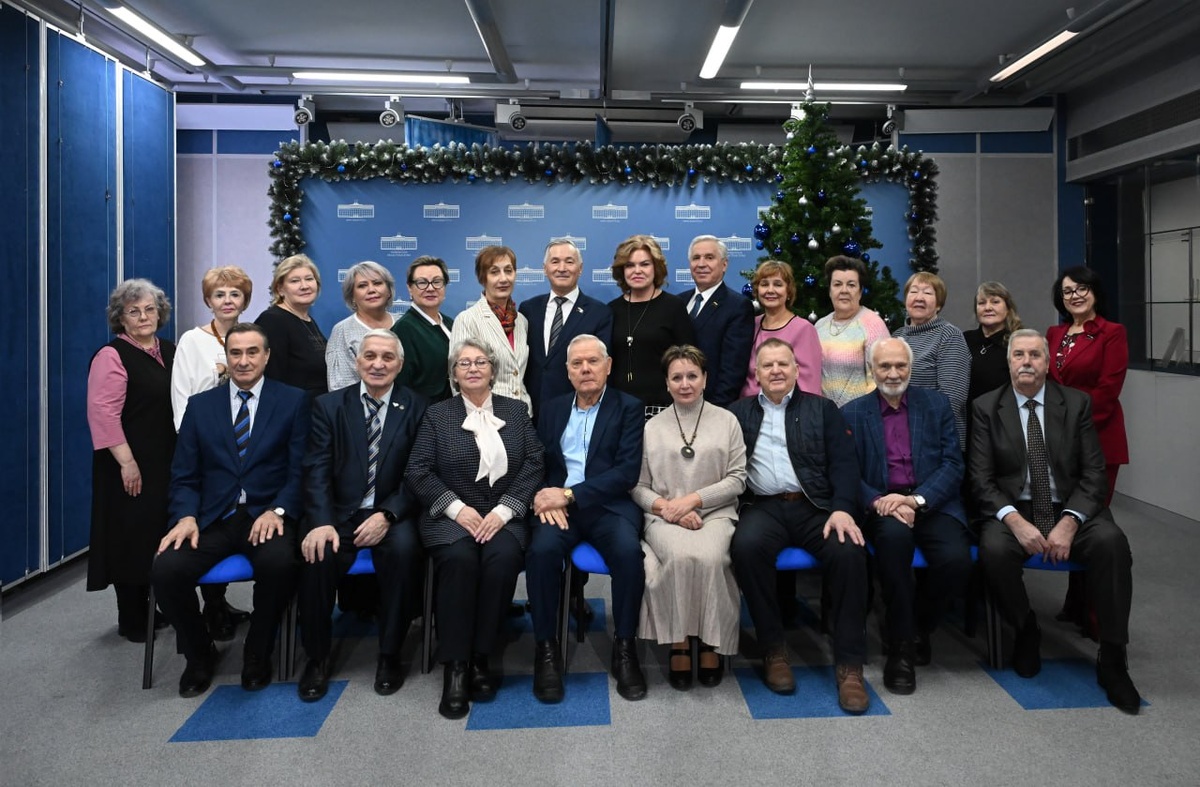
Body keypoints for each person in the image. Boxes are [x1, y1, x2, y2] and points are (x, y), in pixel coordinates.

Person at [971, 329, 1141, 714]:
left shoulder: (1076, 404)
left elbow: (1094, 474)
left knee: (1112, 544)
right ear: (1008, 363)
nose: (1026, 362)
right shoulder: (986, 407)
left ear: (1047, 364)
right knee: (993, 549)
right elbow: (980, 479)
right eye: (1018, 355)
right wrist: (1015, 521)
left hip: (1071, 506)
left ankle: (1114, 657)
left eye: (1035, 355)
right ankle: (1025, 629)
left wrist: (1070, 521)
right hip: (1016, 508)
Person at [153, 323, 309, 698]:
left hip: (266, 515)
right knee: (166, 569)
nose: (243, 361)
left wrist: (279, 510)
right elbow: (184, 474)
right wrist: (186, 516)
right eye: (235, 353)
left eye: (252, 352)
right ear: (226, 357)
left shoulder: (294, 401)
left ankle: (258, 650)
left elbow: (301, 470)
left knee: (279, 564)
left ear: (266, 356)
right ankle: (199, 653)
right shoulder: (200, 406)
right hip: (212, 517)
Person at [405, 338, 545, 720]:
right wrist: (456, 508)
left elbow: (535, 462)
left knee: (502, 562)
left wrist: (506, 509)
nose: (472, 368)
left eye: (480, 362)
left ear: (493, 370)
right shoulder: (437, 415)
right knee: (460, 561)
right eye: (464, 363)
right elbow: (417, 470)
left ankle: (482, 656)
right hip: (452, 517)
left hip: (503, 517)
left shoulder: (516, 411)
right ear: (453, 374)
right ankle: (456, 666)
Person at [728, 339, 870, 714]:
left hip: (816, 507)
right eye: (768, 365)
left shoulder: (823, 410)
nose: (776, 371)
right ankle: (773, 650)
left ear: (796, 369)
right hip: (762, 506)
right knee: (745, 548)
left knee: (849, 552)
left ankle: (850, 665)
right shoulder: (737, 414)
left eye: (783, 364)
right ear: (756, 373)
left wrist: (842, 509)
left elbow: (845, 465)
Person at [297, 330, 427, 702]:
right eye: (370, 356)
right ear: (357, 362)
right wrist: (321, 521)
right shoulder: (328, 406)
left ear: (399, 365)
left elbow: (419, 473)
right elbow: (316, 470)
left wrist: (387, 514)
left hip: (392, 512)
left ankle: (390, 654)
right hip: (337, 514)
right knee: (317, 553)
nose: (378, 364)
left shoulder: (418, 407)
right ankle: (317, 657)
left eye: (387, 357)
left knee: (404, 553)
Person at [841, 338, 971, 695]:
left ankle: (916, 628)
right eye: (885, 366)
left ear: (910, 368)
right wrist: (879, 501)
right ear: (872, 370)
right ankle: (901, 651)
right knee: (894, 547)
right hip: (883, 507)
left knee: (957, 561)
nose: (893, 373)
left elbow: (953, 463)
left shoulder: (936, 404)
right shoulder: (852, 413)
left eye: (901, 365)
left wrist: (916, 501)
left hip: (933, 502)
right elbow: (848, 472)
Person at [525, 334, 646, 703]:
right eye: (577, 363)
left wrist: (569, 495)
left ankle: (625, 647)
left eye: (593, 361)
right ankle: (546, 649)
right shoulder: (552, 408)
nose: (585, 369)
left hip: (607, 506)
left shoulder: (628, 407)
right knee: (541, 553)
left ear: (608, 366)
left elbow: (626, 472)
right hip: (560, 509)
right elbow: (538, 461)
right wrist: (547, 495)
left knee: (628, 554)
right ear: (568, 372)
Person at [633, 345, 746, 690]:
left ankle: (711, 639)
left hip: (715, 513)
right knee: (681, 557)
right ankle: (679, 640)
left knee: (710, 558)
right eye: (677, 377)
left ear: (705, 379)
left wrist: (693, 501)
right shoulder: (651, 427)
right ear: (666, 383)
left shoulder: (727, 421)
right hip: (664, 517)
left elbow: (737, 479)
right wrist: (670, 509)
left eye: (692, 376)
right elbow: (638, 487)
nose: (685, 384)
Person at [87, 279, 176, 644]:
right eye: (133, 311)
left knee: (154, 532)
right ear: (120, 318)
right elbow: (103, 413)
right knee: (130, 537)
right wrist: (127, 462)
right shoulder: (112, 356)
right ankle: (132, 617)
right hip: (128, 462)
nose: (143, 317)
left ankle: (152, 605)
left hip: (163, 460)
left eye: (149, 309)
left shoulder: (169, 350)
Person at [170, 265, 255, 641]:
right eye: (219, 295)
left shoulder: (251, 337)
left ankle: (220, 603)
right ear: (208, 300)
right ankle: (213, 605)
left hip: (245, 446)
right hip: (207, 448)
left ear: (244, 300)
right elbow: (181, 397)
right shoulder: (192, 341)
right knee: (210, 523)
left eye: (235, 294)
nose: (227, 301)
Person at [1047, 266, 1129, 636]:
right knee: (1069, 515)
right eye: (1067, 291)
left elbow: (1109, 390)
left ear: (1095, 292)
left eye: (1082, 288)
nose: (1075, 296)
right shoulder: (1055, 334)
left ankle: (1097, 619)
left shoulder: (1112, 333)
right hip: (1060, 443)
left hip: (1099, 438)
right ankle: (1076, 604)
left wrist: (1071, 426)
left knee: (1093, 522)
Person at [519, 238, 614, 417]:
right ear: (545, 268)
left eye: (569, 262)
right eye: (555, 261)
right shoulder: (528, 309)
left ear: (580, 268)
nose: (562, 268)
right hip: (531, 413)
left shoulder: (599, 313)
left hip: (577, 413)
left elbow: (599, 369)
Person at [607, 235, 696, 417]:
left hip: (664, 408)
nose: (637, 271)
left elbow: (690, 359)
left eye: (645, 264)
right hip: (619, 408)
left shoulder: (674, 307)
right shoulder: (611, 309)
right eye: (630, 265)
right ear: (622, 270)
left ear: (656, 268)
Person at [449, 245, 532, 415]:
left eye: (508, 271)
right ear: (483, 278)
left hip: (523, 415)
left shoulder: (521, 321)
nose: (503, 279)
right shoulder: (467, 319)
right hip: (486, 416)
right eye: (494, 272)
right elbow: (458, 379)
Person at [893, 271, 970, 450]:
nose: (919, 297)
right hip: (900, 438)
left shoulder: (949, 335)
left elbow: (952, 399)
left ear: (938, 304)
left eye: (927, 293)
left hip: (937, 441)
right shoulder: (896, 336)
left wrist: (917, 430)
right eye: (913, 291)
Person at [685, 235, 755, 407]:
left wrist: (713, 411)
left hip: (713, 406)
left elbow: (732, 371)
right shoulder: (678, 302)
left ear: (724, 265)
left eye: (709, 257)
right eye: (696, 258)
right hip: (674, 406)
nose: (701, 264)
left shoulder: (737, 306)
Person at [814, 256, 891, 407]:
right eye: (837, 284)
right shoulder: (819, 326)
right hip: (824, 415)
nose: (844, 290)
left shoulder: (873, 325)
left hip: (860, 415)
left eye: (851, 285)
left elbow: (881, 378)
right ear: (830, 291)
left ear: (860, 291)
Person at [741, 259, 821, 398]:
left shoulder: (803, 329)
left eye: (778, 284)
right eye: (764, 284)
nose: (770, 290)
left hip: (787, 408)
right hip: (747, 407)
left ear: (788, 291)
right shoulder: (751, 325)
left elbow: (810, 387)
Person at [255, 253, 328, 399]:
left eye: (309, 279)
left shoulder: (308, 320)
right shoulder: (273, 321)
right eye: (295, 281)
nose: (304, 286)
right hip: (291, 409)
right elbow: (272, 379)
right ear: (280, 289)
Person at [326, 260, 398, 391]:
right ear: (352, 296)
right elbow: (340, 387)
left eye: (377, 283)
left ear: (389, 291)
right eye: (362, 286)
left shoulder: (404, 323)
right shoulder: (342, 331)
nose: (371, 290)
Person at [392, 256, 455, 402]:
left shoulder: (450, 323)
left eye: (437, 282)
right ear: (410, 288)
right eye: (422, 283)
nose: (430, 288)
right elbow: (401, 385)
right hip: (424, 411)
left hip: (454, 408)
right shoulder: (404, 329)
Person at [964, 281, 1023, 407]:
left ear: (1008, 308)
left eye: (995, 302)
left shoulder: (1018, 343)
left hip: (1002, 414)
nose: (988, 308)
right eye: (982, 303)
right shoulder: (964, 340)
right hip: (966, 416)